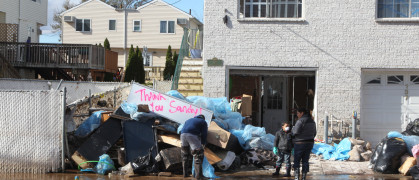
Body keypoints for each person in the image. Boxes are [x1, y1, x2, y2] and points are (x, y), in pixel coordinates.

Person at [292, 107, 316, 180]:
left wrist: (292, 131)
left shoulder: (300, 121)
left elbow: (295, 132)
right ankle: (303, 177)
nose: (297, 115)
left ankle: (296, 177)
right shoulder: (312, 121)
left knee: (297, 161)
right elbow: (314, 133)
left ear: (302, 113)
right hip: (309, 143)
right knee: (305, 161)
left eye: (298, 113)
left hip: (300, 143)